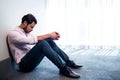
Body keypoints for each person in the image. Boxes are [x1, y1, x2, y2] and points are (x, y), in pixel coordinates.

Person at [7, 14, 82, 78]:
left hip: (31, 61)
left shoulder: (25, 32)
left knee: (48, 40)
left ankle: (68, 62)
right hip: (24, 65)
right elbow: (30, 41)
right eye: (31, 27)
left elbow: (35, 39)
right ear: (25, 23)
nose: (32, 29)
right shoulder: (13, 34)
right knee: (43, 43)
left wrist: (51, 37)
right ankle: (63, 69)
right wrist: (49, 35)